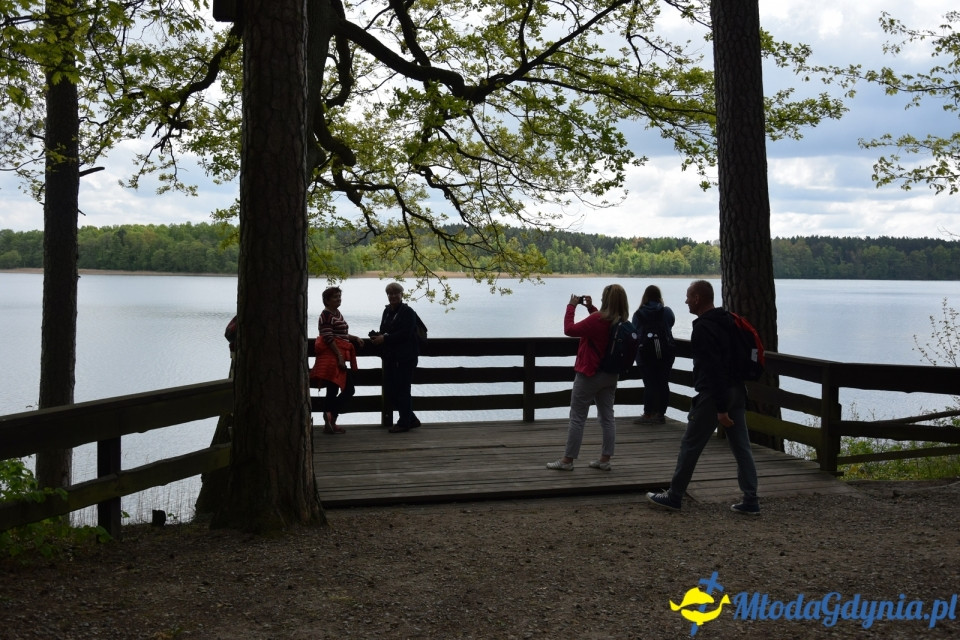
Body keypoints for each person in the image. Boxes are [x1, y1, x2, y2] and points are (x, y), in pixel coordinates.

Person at [646, 280, 760, 514]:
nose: (686, 301)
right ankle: (751, 499)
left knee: (690, 445)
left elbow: (713, 369)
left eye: (689, 296)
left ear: (697, 298)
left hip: (714, 396)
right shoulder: (729, 320)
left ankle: (674, 496)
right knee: (742, 447)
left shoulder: (703, 328)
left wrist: (721, 408)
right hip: (738, 391)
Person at [546, 284, 630, 472]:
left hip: (590, 374)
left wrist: (571, 306)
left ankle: (567, 461)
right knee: (607, 417)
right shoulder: (620, 321)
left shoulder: (598, 319)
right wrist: (591, 308)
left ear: (606, 299)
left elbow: (569, 329)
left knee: (577, 417)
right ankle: (605, 459)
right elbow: (601, 330)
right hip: (610, 375)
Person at [310, 286, 365, 434]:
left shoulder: (336, 313)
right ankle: (331, 416)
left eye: (339, 296)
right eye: (335, 297)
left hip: (336, 357)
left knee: (333, 390)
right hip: (331, 358)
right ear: (326, 300)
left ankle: (330, 422)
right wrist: (339, 356)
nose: (339, 299)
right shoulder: (326, 315)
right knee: (348, 389)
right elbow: (328, 337)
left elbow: (340, 334)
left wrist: (354, 338)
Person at [370, 282, 421, 433]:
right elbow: (385, 329)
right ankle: (411, 419)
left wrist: (385, 338)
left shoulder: (408, 312)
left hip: (405, 358)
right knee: (390, 391)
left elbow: (405, 334)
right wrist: (379, 336)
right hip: (391, 358)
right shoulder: (387, 311)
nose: (392, 296)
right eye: (390, 294)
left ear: (401, 295)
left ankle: (404, 423)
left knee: (403, 390)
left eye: (395, 293)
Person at [631, 285, 676, 424]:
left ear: (645, 296)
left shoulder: (638, 314)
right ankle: (660, 414)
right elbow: (671, 323)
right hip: (666, 354)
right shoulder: (666, 311)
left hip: (644, 355)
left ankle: (648, 415)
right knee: (663, 383)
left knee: (649, 384)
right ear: (659, 296)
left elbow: (635, 330)